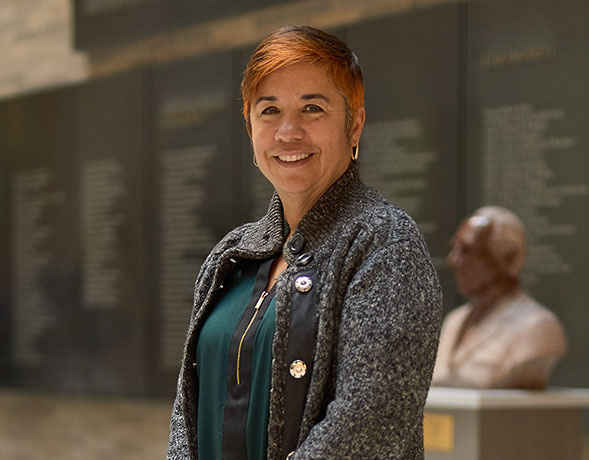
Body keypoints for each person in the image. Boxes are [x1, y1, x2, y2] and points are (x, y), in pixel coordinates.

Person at [167, 25, 442, 460]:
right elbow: (187, 412)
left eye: (312, 108)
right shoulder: (231, 254)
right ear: (249, 125)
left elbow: (369, 426)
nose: (288, 132)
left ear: (355, 124)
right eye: (269, 110)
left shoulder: (385, 245)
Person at [432, 206, 566, 390]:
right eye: (453, 248)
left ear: (507, 258)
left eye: (467, 250)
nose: (453, 260)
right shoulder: (454, 321)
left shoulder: (538, 328)